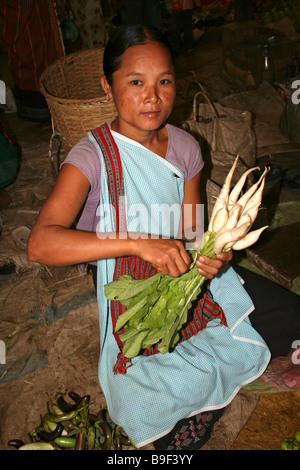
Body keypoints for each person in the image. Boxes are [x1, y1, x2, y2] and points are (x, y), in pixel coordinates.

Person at [27, 25, 298, 450]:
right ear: (107, 85)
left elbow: (191, 229)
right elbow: (41, 244)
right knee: (144, 391)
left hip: (182, 267)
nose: (152, 97)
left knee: (285, 313)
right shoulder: (92, 156)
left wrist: (212, 258)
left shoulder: (186, 148)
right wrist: (138, 243)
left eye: (164, 82)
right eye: (136, 82)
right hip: (126, 281)